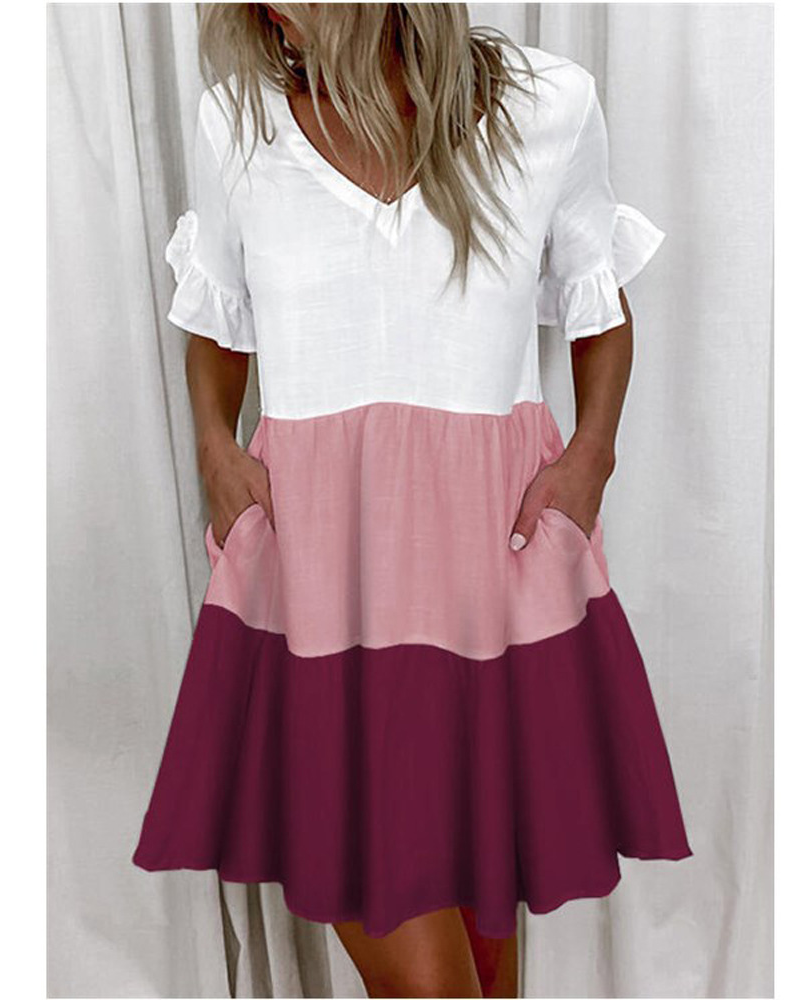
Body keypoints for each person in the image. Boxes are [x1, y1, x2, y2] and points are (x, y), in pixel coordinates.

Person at [133, 4, 693, 997]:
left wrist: (590, 459)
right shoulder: (239, 120)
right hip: (319, 577)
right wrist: (216, 449)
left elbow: (597, 297)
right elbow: (219, 319)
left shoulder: (546, 106)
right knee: (432, 984)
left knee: (486, 962)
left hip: (490, 573)